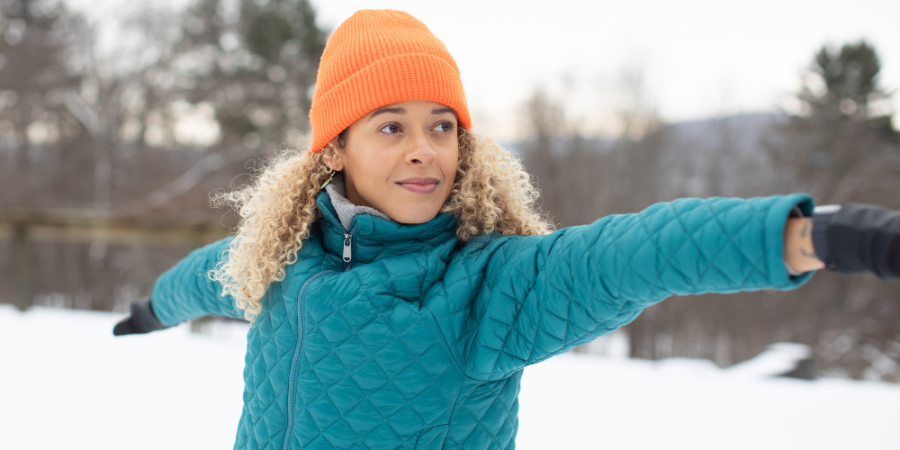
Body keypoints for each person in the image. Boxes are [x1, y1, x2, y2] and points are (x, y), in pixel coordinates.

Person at [113, 9, 900, 450]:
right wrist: (150, 311)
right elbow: (197, 279)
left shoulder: (490, 287)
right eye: (390, 127)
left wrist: (820, 233)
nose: (426, 149)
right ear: (335, 149)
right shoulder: (277, 259)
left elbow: (640, 254)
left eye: (443, 125)